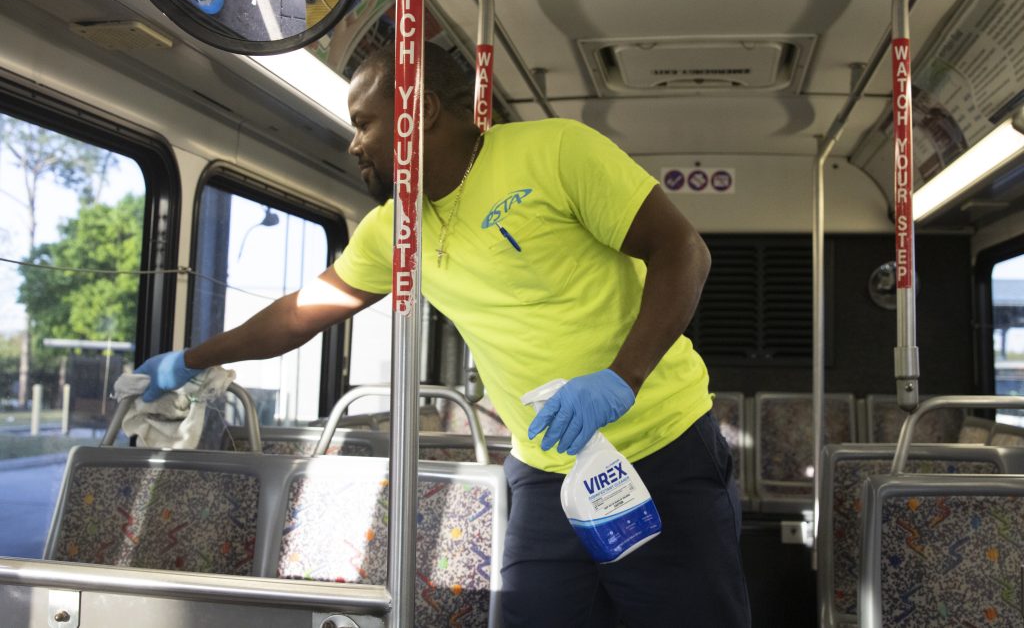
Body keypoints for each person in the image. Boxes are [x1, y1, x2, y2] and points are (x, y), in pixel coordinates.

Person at [135, 42, 751, 627]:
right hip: (545, 466)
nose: (354, 144)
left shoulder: (556, 152)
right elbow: (302, 311)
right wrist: (189, 360)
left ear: (420, 110)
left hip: (659, 445)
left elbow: (682, 251)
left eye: (364, 123)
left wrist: (622, 379)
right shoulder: (395, 228)